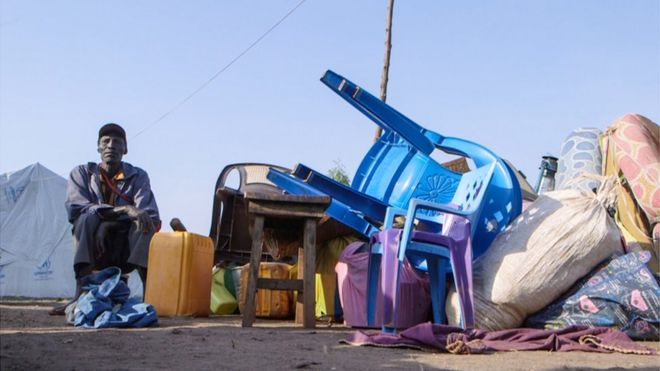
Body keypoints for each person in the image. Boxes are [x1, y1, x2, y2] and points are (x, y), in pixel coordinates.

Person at [50, 123, 160, 315]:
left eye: (117, 142)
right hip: (94, 247)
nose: (111, 146)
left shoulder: (138, 176)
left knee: (143, 221)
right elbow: (77, 207)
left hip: (125, 249)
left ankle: (150, 294)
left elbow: (148, 213)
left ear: (125, 149)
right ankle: (80, 294)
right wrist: (124, 210)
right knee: (85, 218)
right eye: (106, 141)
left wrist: (109, 223)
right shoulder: (82, 173)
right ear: (98, 147)